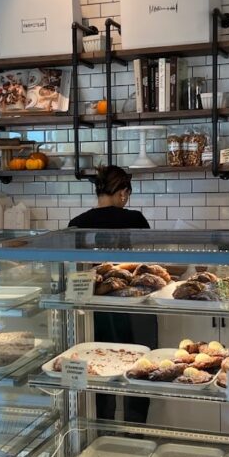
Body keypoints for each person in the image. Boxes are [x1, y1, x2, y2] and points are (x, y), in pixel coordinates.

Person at [68, 166, 155, 426]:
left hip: (95, 311)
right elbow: (149, 265)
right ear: (123, 193)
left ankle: (101, 430)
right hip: (134, 308)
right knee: (139, 371)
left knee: (98, 369)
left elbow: (74, 272)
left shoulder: (77, 224)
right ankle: (135, 433)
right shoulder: (135, 219)